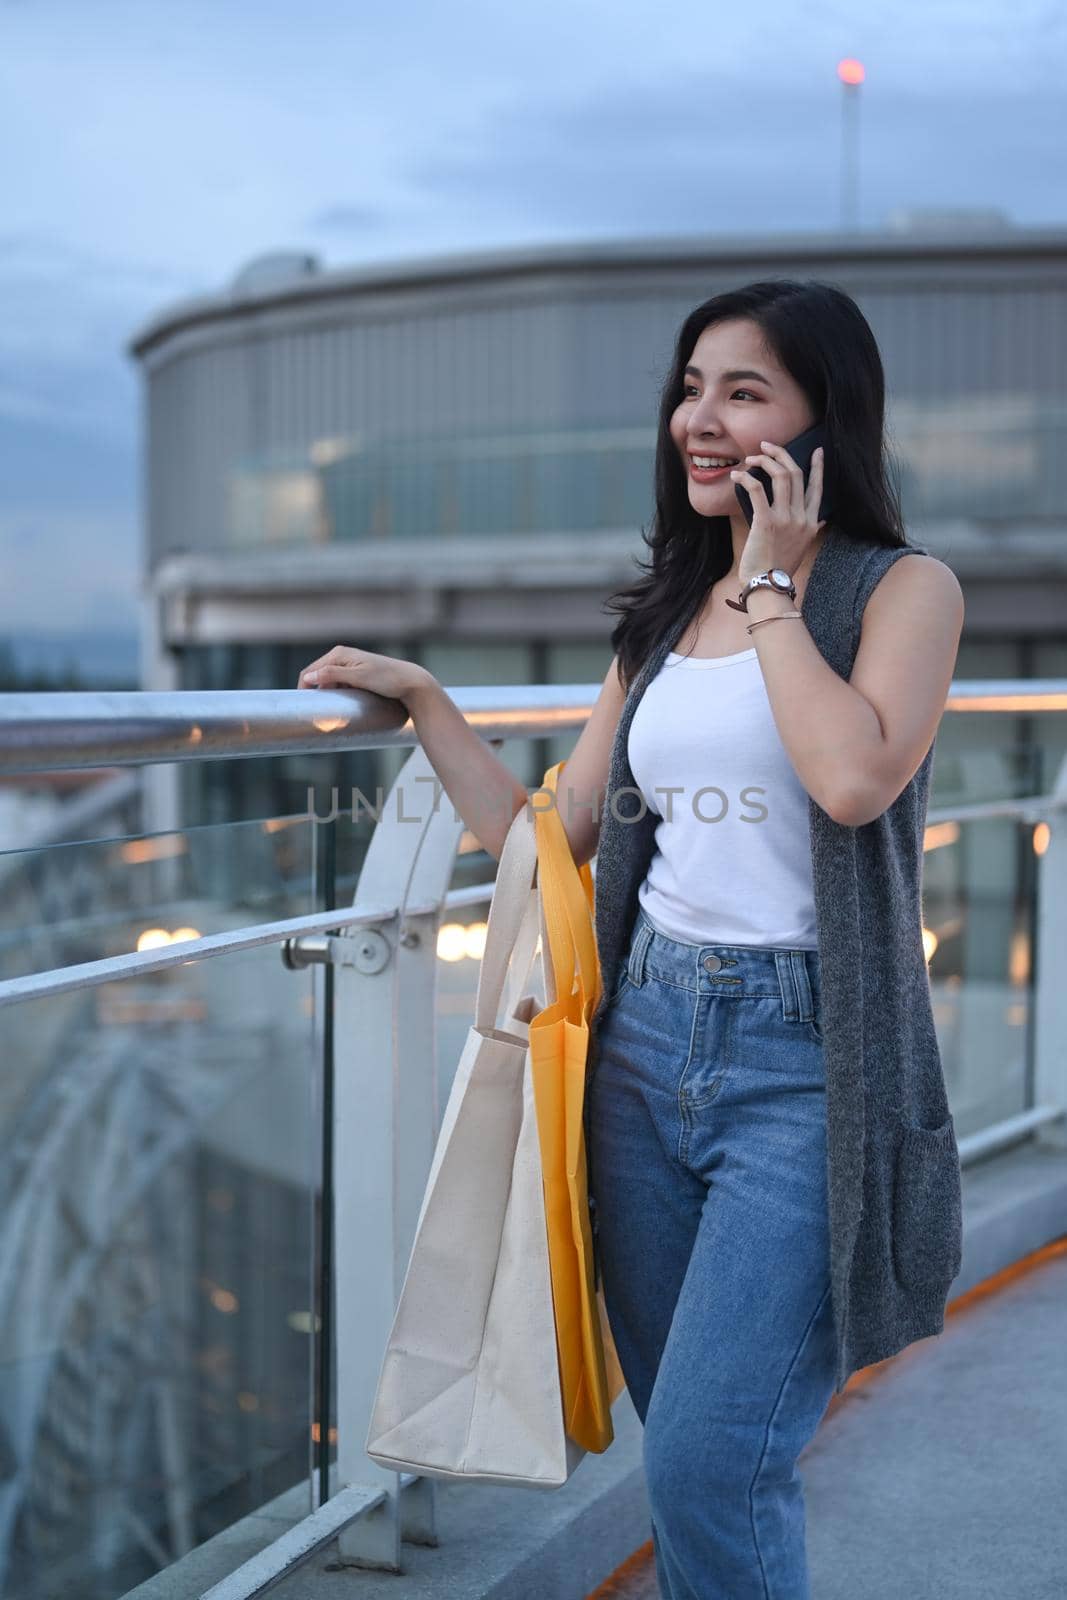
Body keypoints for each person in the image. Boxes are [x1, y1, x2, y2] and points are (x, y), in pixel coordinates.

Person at [296, 278, 965, 1599]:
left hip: (806, 1066)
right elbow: (555, 842)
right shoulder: (664, 620)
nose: (699, 420)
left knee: (715, 1463)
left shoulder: (902, 592)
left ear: (825, 417)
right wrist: (428, 702)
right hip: (641, 1050)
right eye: (691, 386)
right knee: (694, 1448)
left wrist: (770, 591)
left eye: (744, 390)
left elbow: (852, 781)